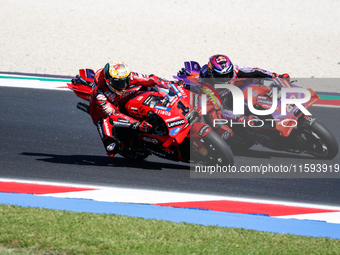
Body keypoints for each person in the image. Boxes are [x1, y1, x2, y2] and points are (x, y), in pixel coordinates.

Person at [88, 61, 171, 157]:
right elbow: (113, 114)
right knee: (111, 148)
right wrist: (138, 124)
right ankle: (124, 147)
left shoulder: (128, 76)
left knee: (147, 86)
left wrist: (170, 84)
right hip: (104, 115)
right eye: (119, 83)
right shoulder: (99, 94)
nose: (123, 86)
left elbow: (151, 79)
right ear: (108, 82)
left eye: (125, 81)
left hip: (118, 99)